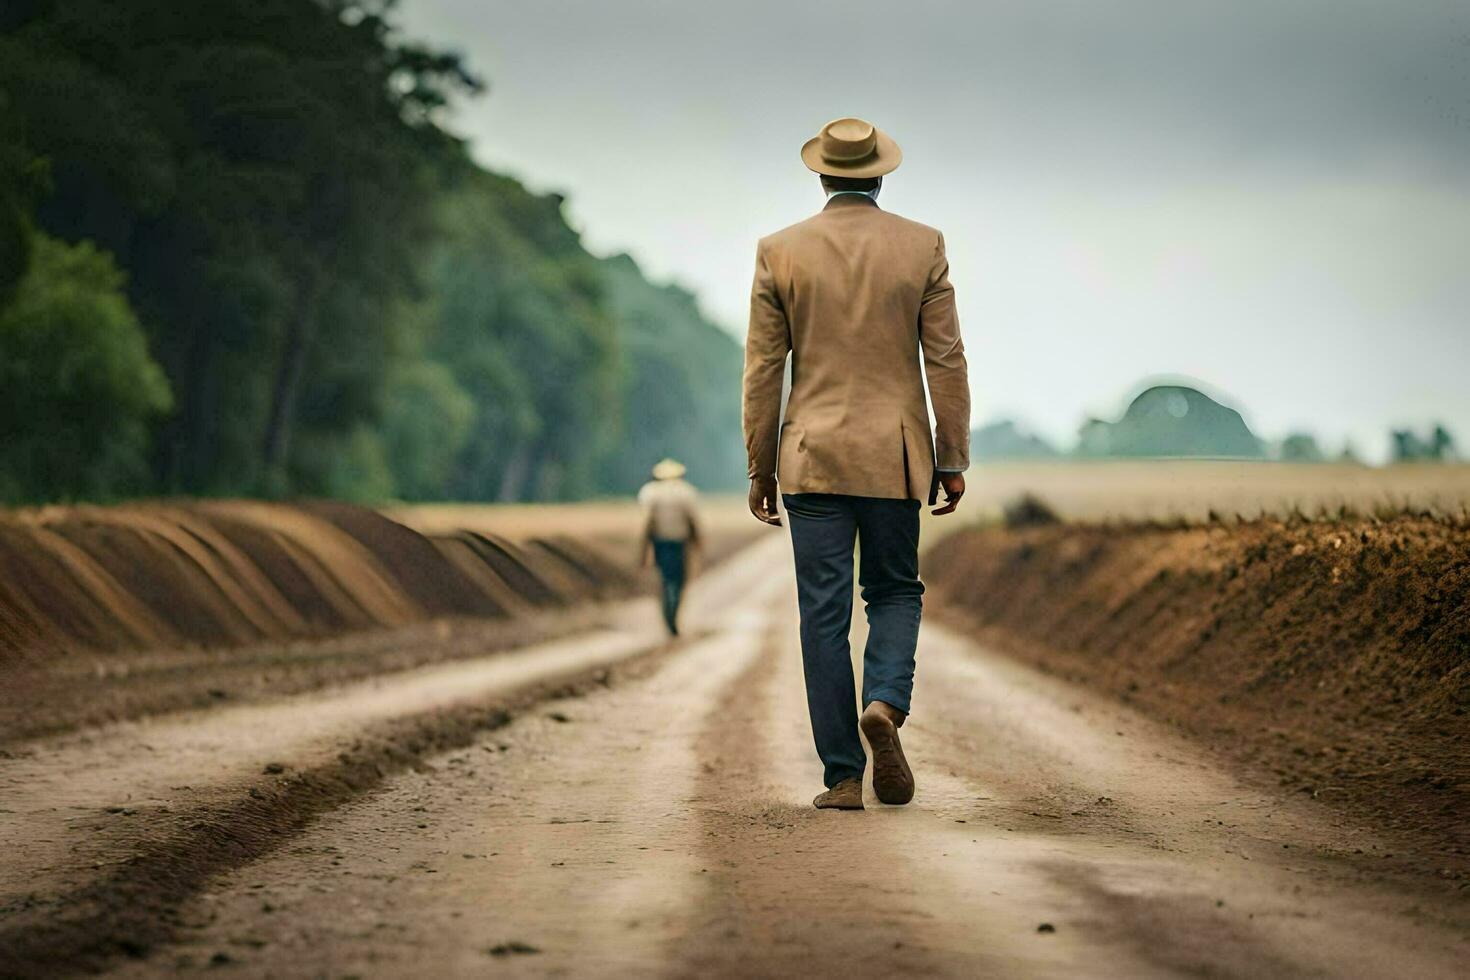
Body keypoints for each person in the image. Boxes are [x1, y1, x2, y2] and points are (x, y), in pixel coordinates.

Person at [742, 117, 971, 811]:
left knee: (822, 615)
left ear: (822, 175)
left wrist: (760, 466)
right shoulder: (921, 245)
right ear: (879, 175)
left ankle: (843, 776)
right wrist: (951, 455)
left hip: (810, 456)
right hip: (895, 457)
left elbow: (762, 371)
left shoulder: (779, 251)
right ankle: (885, 705)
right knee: (896, 591)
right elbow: (946, 359)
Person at [638, 458, 701, 636]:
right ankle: (672, 615)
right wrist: (698, 543)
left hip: (660, 543)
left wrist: (643, 549)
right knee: (678, 580)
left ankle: (668, 615)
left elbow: (647, 524)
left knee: (666, 579)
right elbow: (692, 522)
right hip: (679, 543)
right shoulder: (686, 493)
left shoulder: (650, 493)